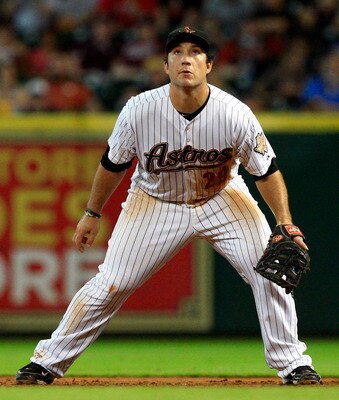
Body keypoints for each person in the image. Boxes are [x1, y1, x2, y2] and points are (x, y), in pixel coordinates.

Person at [16, 26, 320, 385]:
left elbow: (267, 171)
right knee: (112, 283)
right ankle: (46, 362)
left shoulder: (235, 114)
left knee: (269, 272)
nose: (186, 59)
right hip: (155, 201)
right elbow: (113, 164)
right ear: (165, 66)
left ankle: (293, 364)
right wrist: (91, 213)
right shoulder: (139, 110)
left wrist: (284, 221)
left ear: (209, 66)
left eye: (195, 52)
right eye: (177, 53)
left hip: (222, 197)